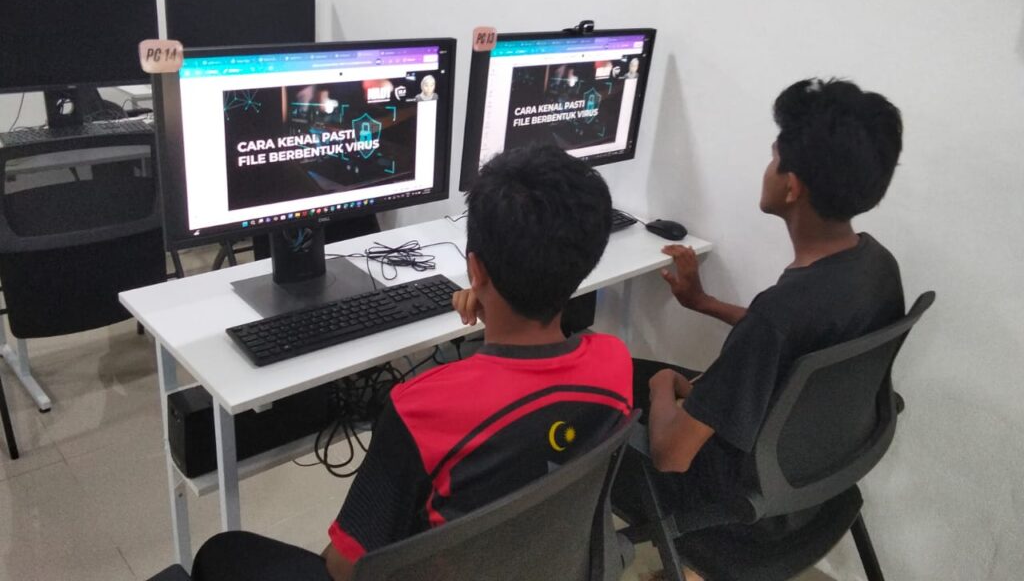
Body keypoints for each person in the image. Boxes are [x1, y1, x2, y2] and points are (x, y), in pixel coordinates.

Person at [191, 145, 633, 581]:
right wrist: (497, 304)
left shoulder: (421, 410)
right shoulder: (614, 363)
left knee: (222, 552)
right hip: (551, 562)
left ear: (475, 270)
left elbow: (346, 568)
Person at [613, 78, 905, 559]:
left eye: (774, 158)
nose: (768, 169)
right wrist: (703, 303)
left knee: (603, 393)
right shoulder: (875, 266)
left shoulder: (777, 316)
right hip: (811, 481)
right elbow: (799, 338)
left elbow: (671, 456)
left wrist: (664, 386)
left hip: (738, 514)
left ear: (792, 186)